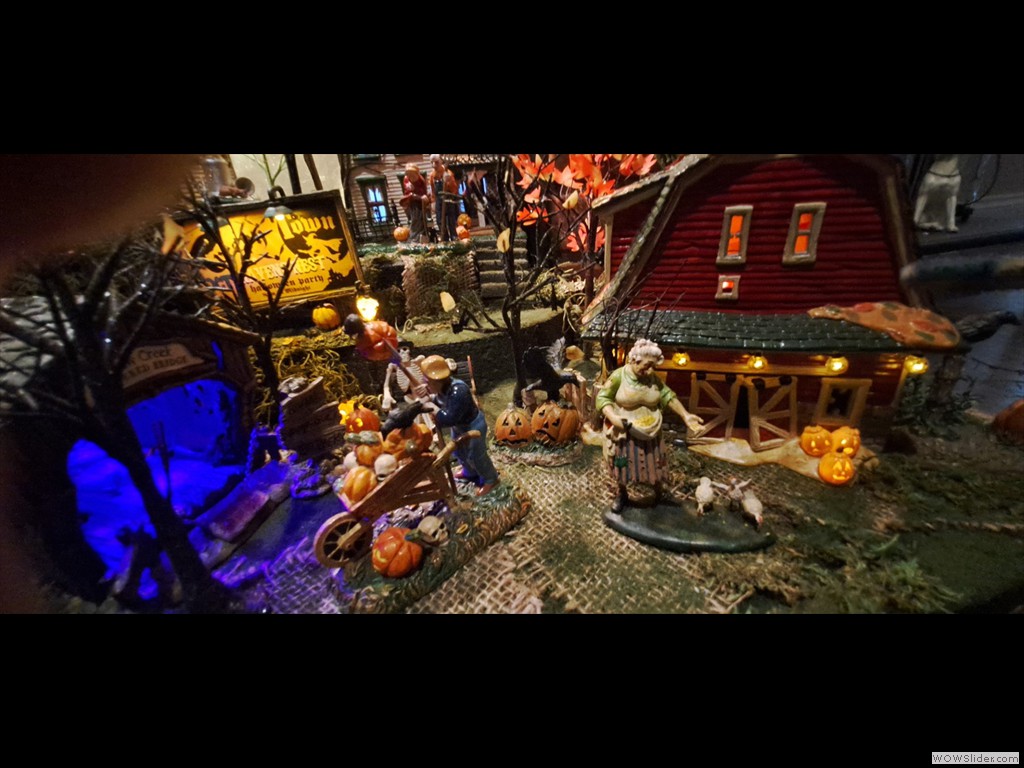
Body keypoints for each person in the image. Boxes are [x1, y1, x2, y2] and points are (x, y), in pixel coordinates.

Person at [596, 338, 704, 513]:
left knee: (655, 463)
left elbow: (668, 396)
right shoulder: (619, 376)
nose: (650, 371)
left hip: (651, 431)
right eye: (647, 366)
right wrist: (613, 417)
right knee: (622, 464)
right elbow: (603, 398)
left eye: (653, 366)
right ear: (634, 361)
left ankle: (658, 491)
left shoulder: (653, 379)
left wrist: (685, 415)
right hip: (626, 431)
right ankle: (622, 493)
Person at [416, 354, 499, 496]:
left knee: (476, 455)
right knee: (460, 452)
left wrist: (432, 406)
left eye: (428, 382)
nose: (426, 385)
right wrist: (429, 395)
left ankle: (491, 479)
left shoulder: (458, 391)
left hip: (473, 426)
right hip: (459, 427)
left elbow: (449, 419)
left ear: (438, 381)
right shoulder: (441, 389)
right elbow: (439, 400)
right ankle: (470, 472)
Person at [427, 154, 461, 241]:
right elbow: (432, 190)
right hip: (439, 200)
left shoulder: (448, 173)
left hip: (448, 199)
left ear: (441, 161)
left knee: (451, 220)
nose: (434, 165)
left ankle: (454, 237)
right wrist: (433, 202)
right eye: (432, 163)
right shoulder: (432, 176)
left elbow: (454, 189)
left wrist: (448, 182)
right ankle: (444, 238)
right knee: (440, 220)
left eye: (436, 162)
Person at [400, 163, 429, 243]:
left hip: (420, 204)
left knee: (421, 219)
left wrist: (423, 197)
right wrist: (411, 191)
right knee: (415, 220)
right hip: (412, 203)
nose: (411, 177)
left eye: (412, 175)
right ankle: (414, 237)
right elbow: (408, 193)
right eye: (409, 175)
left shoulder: (420, 180)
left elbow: (423, 191)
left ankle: (422, 236)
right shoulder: (406, 180)